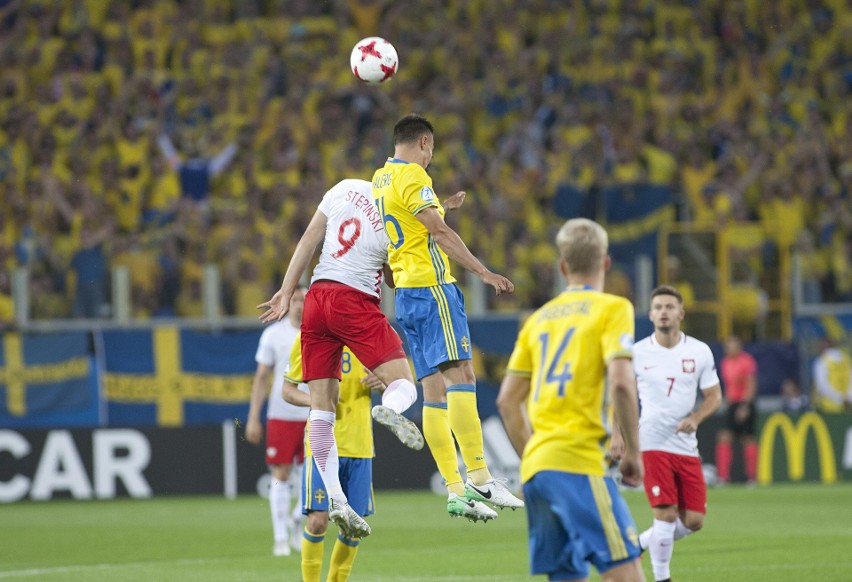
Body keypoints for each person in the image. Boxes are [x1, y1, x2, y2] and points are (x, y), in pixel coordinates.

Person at [372, 113, 523, 521]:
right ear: (423, 142)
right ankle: (480, 475)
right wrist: (483, 272)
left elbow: (402, 233)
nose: (431, 157)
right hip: (434, 290)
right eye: (432, 149)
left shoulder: (380, 180)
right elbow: (437, 233)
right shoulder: (415, 179)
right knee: (463, 378)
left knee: (434, 393)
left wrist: (443, 206)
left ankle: (456, 491)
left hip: (404, 296)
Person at [257, 178, 424, 539]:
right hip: (354, 300)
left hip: (317, 296)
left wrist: (287, 292)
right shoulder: (396, 212)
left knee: (321, 409)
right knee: (404, 384)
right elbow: (395, 280)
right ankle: (391, 410)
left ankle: (336, 499)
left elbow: (308, 239)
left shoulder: (343, 188)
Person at [497, 218, 644, 582]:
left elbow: (506, 402)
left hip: (537, 470)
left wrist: (538, 457)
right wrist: (635, 453)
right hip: (578, 462)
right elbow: (623, 384)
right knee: (626, 573)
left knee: (567, 576)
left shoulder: (537, 320)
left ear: (563, 267)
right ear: (606, 262)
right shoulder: (613, 309)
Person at [625, 285, 722, 582]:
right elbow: (622, 396)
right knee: (665, 513)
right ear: (651, 314)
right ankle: (662, 577)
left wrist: (696, 416)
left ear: (681, 313)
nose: (663, 312)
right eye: (658, 307)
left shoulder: (699, 351)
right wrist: (621, 438)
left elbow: (714, 396)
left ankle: (637, 544)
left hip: (685, 445)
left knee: (694, 520)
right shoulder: (636, 352)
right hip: (652, 441)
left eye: (669, 307)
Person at [282, 336, 381, 582]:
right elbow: (287, 390)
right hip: (322, 443)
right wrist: (317, 401)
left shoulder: (366, 334)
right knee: (317, 521)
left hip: (360, 445)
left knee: (353, 529)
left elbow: (396, 378)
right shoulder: (310, 337)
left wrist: (384, 381)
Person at [245, 287, 309, 557]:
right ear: (287, 302)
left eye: (305, 300)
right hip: (281, 414)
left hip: (312, 414)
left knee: (314, 477)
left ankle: (296, 519)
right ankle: (281, 537)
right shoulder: (273, 334)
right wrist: (252, 418)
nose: (299, 305)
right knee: (280, 475)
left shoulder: (319, 333)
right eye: (295, 300)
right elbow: (262, 377)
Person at [715, 335, 759, 485]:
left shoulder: (747, 361)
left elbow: (751, 384)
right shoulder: (725, 362)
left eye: (732, 345)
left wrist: (745, 406)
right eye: (727, 346)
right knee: (724, 437)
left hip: (744, 403)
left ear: (739, 347)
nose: (729, 348)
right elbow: (728, 386)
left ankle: (752, 478)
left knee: (747, 439)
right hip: (732, 404)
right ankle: (723, 477)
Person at [811, 338, 852, 413]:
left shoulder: (822, 361)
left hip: (829, 405)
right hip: (848, 405)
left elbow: (822, 385)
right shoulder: (847, 359)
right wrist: (848, 398)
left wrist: (839, 399)